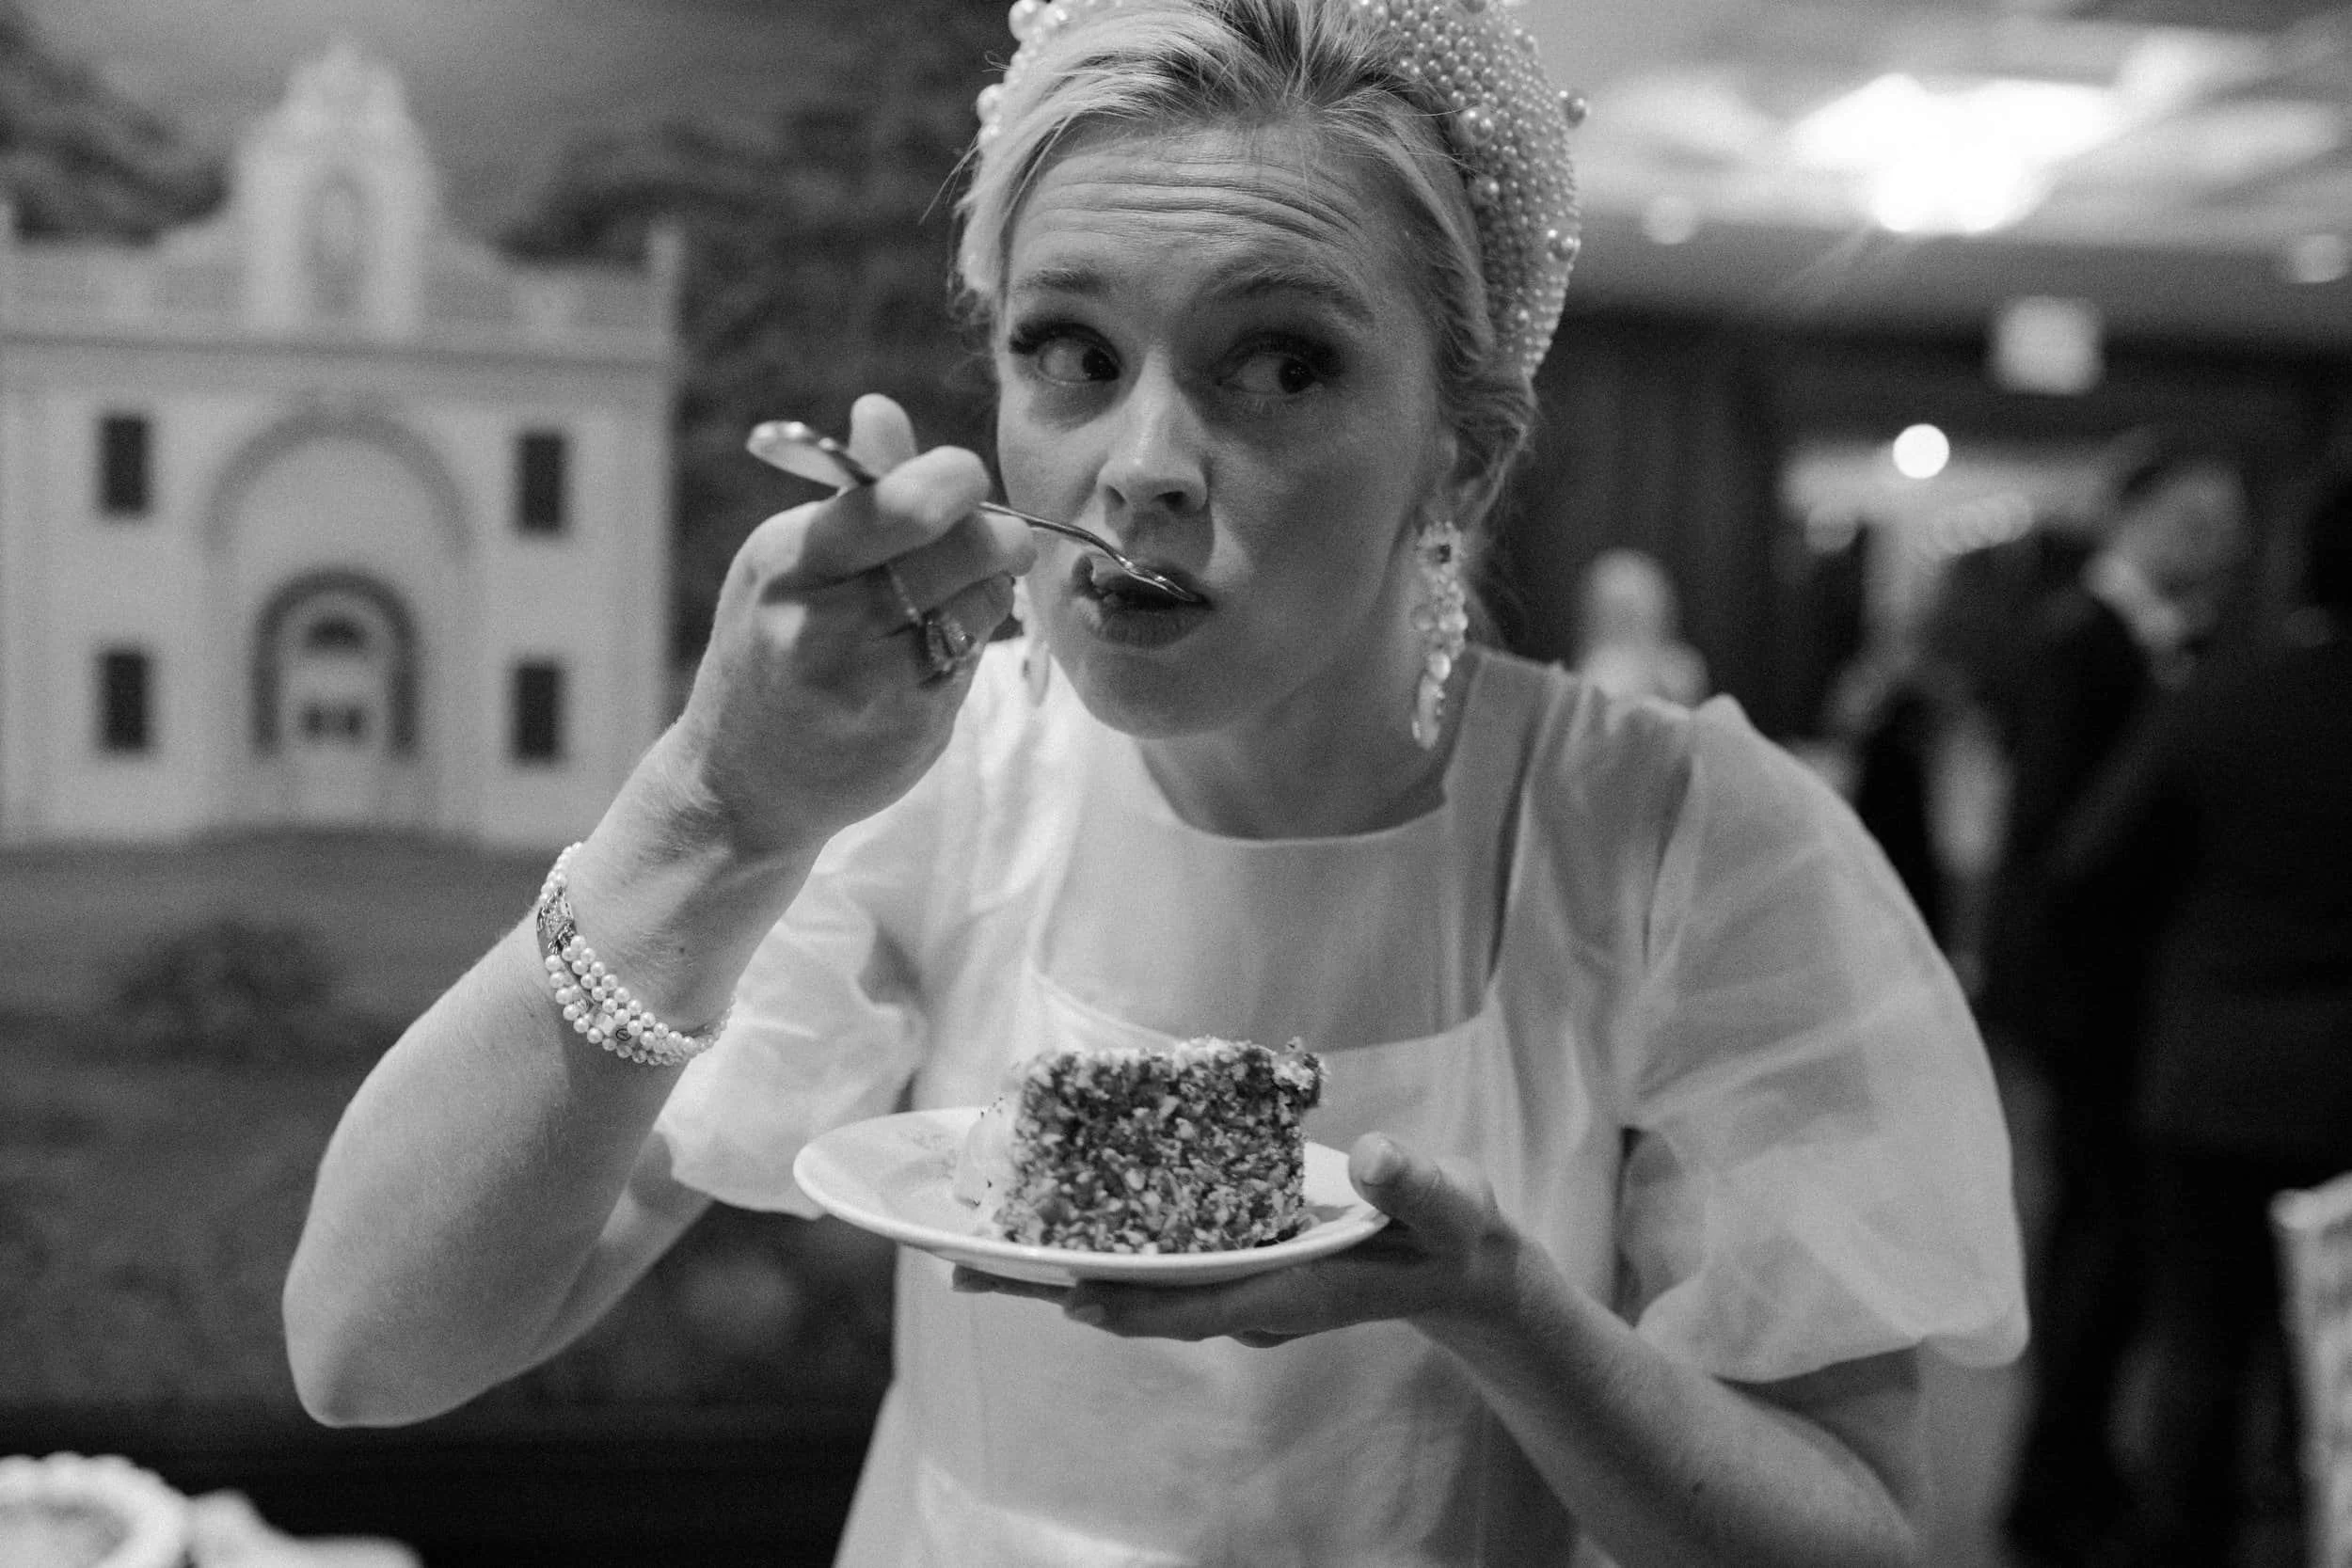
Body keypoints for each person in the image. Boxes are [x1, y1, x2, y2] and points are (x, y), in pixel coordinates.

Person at [282, 2, 2026, 1563]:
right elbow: (371, 1347)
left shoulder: (1685, 849)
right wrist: (715, 805)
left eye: (1282, 363)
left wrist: (1503, 1308)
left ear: (1462, 459)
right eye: (1072, 353)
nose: (1144, 467)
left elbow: (1863, 1530)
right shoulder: (940, 778)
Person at [2053, 469, 2352, 1568]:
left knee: (2198, 1342)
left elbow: (2087, 865)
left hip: (2210, 1071)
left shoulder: (2224, 697)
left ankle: (2181, 1540)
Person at [1984, 432, 2249, 1567]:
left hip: (2123, 1012)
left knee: (2112, 1253)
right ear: (2132, 519)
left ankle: (2079, 1471)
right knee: (2093, 1253)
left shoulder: (2167, 649)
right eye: (2193, 521)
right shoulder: (2084, 645)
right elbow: (2056, 848)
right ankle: (2053, 1488)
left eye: (2227, 527)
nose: (2216, 546)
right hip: (2091, 1013)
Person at [1571, 547, 1708, 706]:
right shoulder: (1595, 669)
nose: (1627, 619)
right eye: (1619, 609)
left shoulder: (1679, 667)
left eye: (1632, 607)